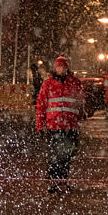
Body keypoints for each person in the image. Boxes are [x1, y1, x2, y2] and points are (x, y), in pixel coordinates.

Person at [35, 54, 86, 190]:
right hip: (54, 126)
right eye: (58, 66)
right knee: (55, 155)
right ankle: (54, 181)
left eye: (63, 66)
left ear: (66, 68)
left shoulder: (74, 83)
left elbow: (81, 101)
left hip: (69, 126)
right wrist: (40, 125)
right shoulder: (48, 84)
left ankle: (62, 180)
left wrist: (80, 115)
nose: (60, 69)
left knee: (66, 155)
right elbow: (41, 105)